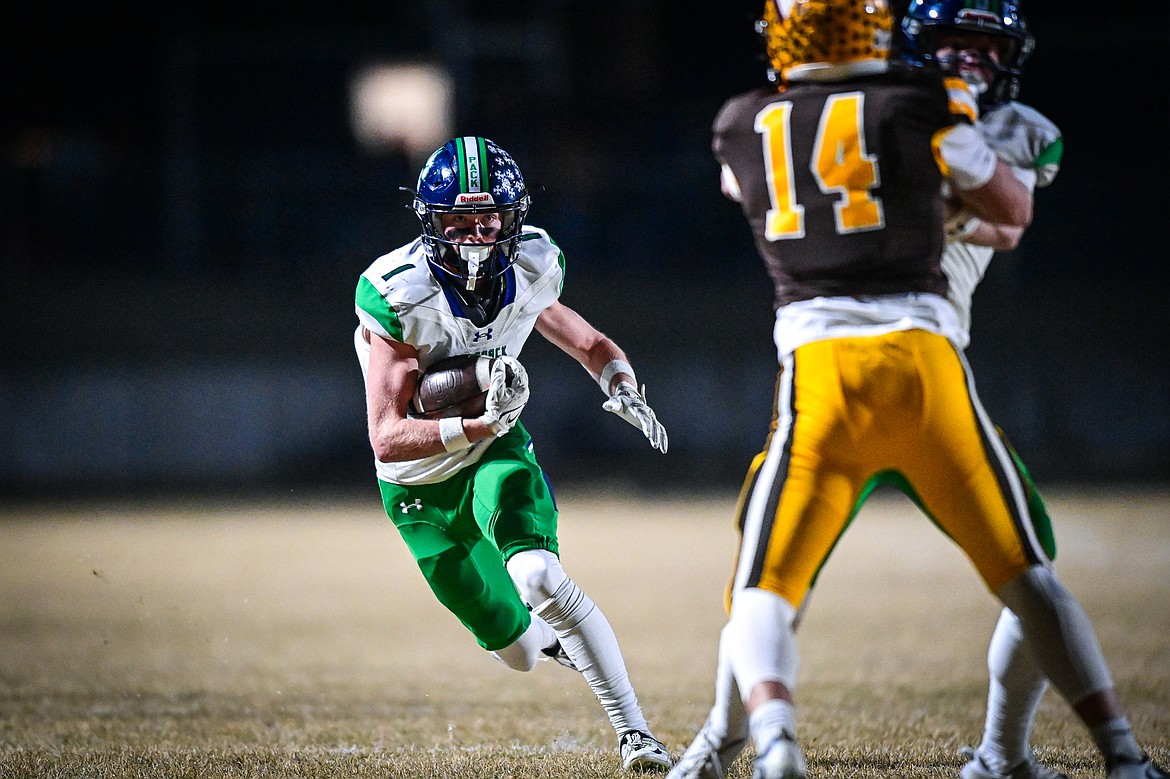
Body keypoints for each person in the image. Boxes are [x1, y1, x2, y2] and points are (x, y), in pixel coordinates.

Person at [669, 2, 1169, 779]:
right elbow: (980, 209)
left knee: (1018, 559)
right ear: (898, 43)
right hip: (922, 373)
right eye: (950, 45)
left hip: (858, 372)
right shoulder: (916, 110)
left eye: (983, 48)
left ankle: (998, 751)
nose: (967, 60)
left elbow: (1007, 221)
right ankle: (723, 736)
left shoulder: (966, 122)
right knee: (766, 574)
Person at [352, 135, 672, 772]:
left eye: (487, 219)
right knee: (519, 653)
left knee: (539, 576)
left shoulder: (530, 264)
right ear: (429, 221)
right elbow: (387, 434)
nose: (474, 236)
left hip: (495, 451)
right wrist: (475, 422)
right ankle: (548, 640)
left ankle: (637, 735)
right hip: (416, 485)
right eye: (458, 221)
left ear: (512, 217)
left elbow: (586, 340)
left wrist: (622, 383)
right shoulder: (397, 289)